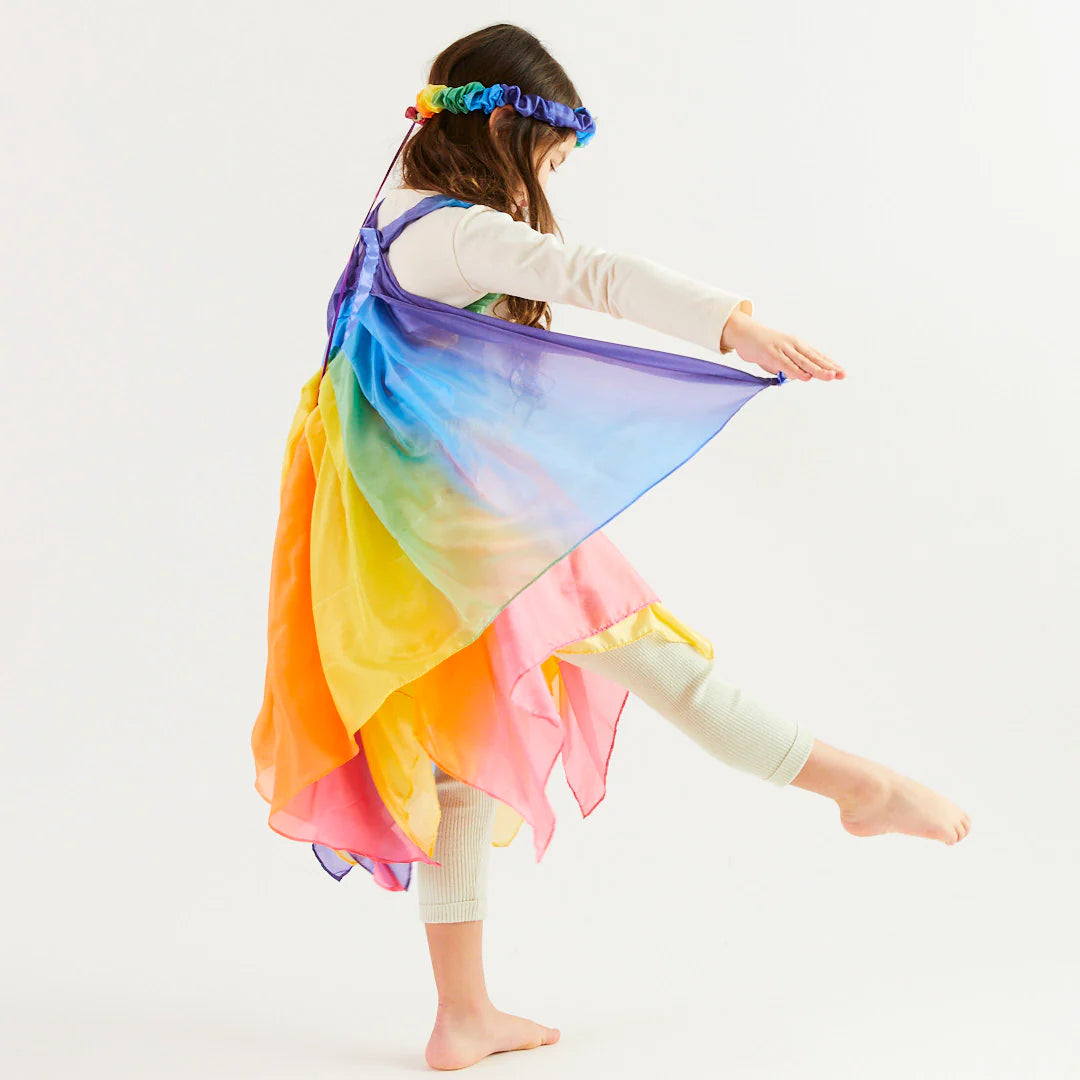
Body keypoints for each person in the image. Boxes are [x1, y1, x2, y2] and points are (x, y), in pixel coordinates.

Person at [251, 22, 971, 1074]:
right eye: (548, 162)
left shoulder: (390, 219)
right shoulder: (456, 235)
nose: (548, 184)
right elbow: (589, 272)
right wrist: (733, 325)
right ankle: (856, 787)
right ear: (502, 128)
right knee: (660, 660)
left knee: (465, 767)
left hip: (405, 543)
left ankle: (461, 1016)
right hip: (474, 527)